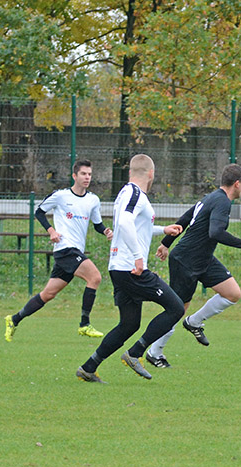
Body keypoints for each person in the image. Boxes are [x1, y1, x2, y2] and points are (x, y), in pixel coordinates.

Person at [76, 154, 184, 383]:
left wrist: (163, 230)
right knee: (175, 308)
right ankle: (135, 353)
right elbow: (125, 223)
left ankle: (88, 367)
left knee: (129, 323)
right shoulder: (135, 194)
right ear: (151, 174)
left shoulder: (127, 193)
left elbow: (134, 226)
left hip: (119, 267)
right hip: (130, 268)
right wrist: (138, 258)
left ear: (130, 172)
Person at [144, 164, 241, 368]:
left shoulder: (212, 197)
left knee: (232, 293)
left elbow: (186, 219)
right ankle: (154, 352)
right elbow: (215, 232)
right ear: (237, 183)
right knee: (177, 309)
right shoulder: (221, 202)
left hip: (203, 259)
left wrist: (165, 243)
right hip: (186, 261)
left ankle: (194, 322)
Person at [4, 160, 113, 342]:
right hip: (65, 249)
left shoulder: (93, 200)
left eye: (89, 174)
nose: (87, 177)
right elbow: (39, 212)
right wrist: (51, 231)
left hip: (75, 250)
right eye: (83, 174)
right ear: (74, 176)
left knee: (48, 294)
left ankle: (13, 319)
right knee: (95, 277)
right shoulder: (61, 196)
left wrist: (106, 231)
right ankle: (84, 324)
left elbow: (98, 225)